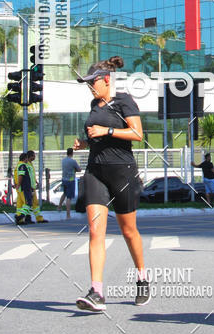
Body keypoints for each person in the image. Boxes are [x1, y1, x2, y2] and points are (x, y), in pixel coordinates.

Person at [73, 56, 148, 312]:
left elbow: (137, 134)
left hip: (123, 174)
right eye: (87, 84)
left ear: (106, 79)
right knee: (96, 232)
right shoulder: (94, 104)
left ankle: (142, 278)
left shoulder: (124, 101)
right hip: (95, 172)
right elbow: (96, 135)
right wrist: (85, 143)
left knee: (129, 231)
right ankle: (96, 291)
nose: (90, 87)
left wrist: (107, 132)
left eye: (92, 82)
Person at [24, 151, 47, 223]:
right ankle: (28, 218)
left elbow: (31, 175)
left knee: (34, 204)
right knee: (29, 204)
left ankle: (38, 218)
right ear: (30, 156)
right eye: (33, 156)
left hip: (32, 187)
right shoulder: (27, 164)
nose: (34, 157)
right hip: (29, 187)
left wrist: (36, 182)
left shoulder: (30, 164)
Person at [60, 147, 81, 219]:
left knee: (64, 193)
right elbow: (79, 169)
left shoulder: (63, 160)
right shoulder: (73, 161)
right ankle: (68, 215)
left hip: (64, 179)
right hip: (70, 180)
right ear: (72, 153)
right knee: (69, 197)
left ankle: (59, 207)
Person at [14, 152, 30, 225]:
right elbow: (21, 176)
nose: (28, 160)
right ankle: (20, 217)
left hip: (22, 187)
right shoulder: (22, 165)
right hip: (24, 187)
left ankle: (19, 219)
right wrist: (18, 184)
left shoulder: (19, 165)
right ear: (25, 158)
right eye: (27, 158)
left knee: (20, 205)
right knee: (28, 203)